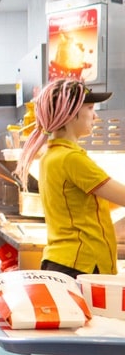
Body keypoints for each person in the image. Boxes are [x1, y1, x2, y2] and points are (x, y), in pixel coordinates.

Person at [15, 78, 121, 278]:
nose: (96, 116)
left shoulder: (52, 156)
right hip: (82, 265)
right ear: (72, 114)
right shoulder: (72, 159)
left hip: (64, 262)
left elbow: (81, 204)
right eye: (90, 108)